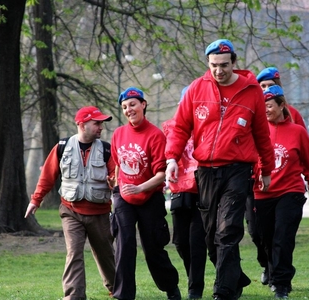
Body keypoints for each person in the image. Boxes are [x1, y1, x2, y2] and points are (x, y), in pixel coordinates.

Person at [165, 39, 275, 300]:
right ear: (208, 63)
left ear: (233, 63)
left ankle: (223, 292)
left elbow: (262, 135)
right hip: (206, 171)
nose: (219, 70)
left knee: (227, 231)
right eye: (214, 65)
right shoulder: (196, 89)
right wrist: (171, 158)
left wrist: (267, 169)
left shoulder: (251, 91)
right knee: (212, 236)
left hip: (238, 169)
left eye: (224, 65)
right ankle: (235, 281)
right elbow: (180, 128)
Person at [253, 85, 309, 299]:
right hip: (262, 194)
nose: (265, 110)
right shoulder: (255, 130)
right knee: (265, 239)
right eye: (262, 106)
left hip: (289, 192)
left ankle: (281, 284)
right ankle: (274, 274)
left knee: (283, 237)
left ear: (282, 106)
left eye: (269, 106)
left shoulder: (297, 132)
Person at [24, 106, 116, 300]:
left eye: (101, 123)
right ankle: (74, 296)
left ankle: (116, 287)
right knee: (74, 252)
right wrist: (35, 200)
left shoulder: (107, 149)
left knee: (105, 254)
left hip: (99, 213)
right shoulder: (62, 147)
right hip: (70, 210)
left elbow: (116, 176)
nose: (101, 127)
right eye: (96, 123)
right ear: (82, 125)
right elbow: (47, 176)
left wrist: (114, 182)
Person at [110, 87, 181, 300]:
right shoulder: (118, 134)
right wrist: (116, 187)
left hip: (150, 197)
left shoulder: (155, 135)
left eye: (132, 104)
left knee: (153, 249)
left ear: (143, 104)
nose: (128, 109)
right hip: (124, 198)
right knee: (124, 244)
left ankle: (170, 287)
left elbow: (161, 174)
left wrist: (140, 188)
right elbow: (118, 164)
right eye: (124, 107)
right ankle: (123, 295)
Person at [249, 66, 309, 287]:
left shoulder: (293, 115)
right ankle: (268, 264)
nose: (266, 89)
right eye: (263, 86)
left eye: (271, 85)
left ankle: (279, 277)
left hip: (286, 185)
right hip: (255, 186)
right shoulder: (252, 114)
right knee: (257, 233)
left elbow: (304, 151)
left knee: (282, 233)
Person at [162, 86, 207, 300]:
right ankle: (235, 278)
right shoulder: (172, 128)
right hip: (179, 189)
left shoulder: (206, 125)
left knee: (197, 241)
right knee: (180, 241)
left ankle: (195, 289)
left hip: (203, 190)